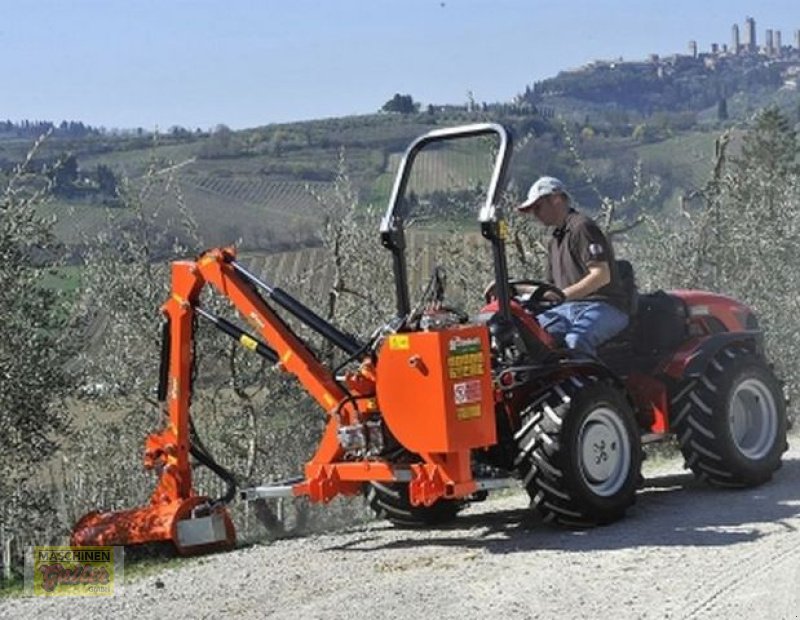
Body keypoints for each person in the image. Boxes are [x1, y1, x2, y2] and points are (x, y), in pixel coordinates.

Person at [516, 176, 629, 357]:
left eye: (538, 207)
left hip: (604, 306)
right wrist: (514, 289)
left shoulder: (582, 227)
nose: (535, 214)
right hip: (568, 309)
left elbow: (601, 275)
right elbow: (551, 290)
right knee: (528, 336)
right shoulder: (555, 241)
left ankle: (592, 385)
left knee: (576, 341)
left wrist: (562, 296)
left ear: (556, 199)